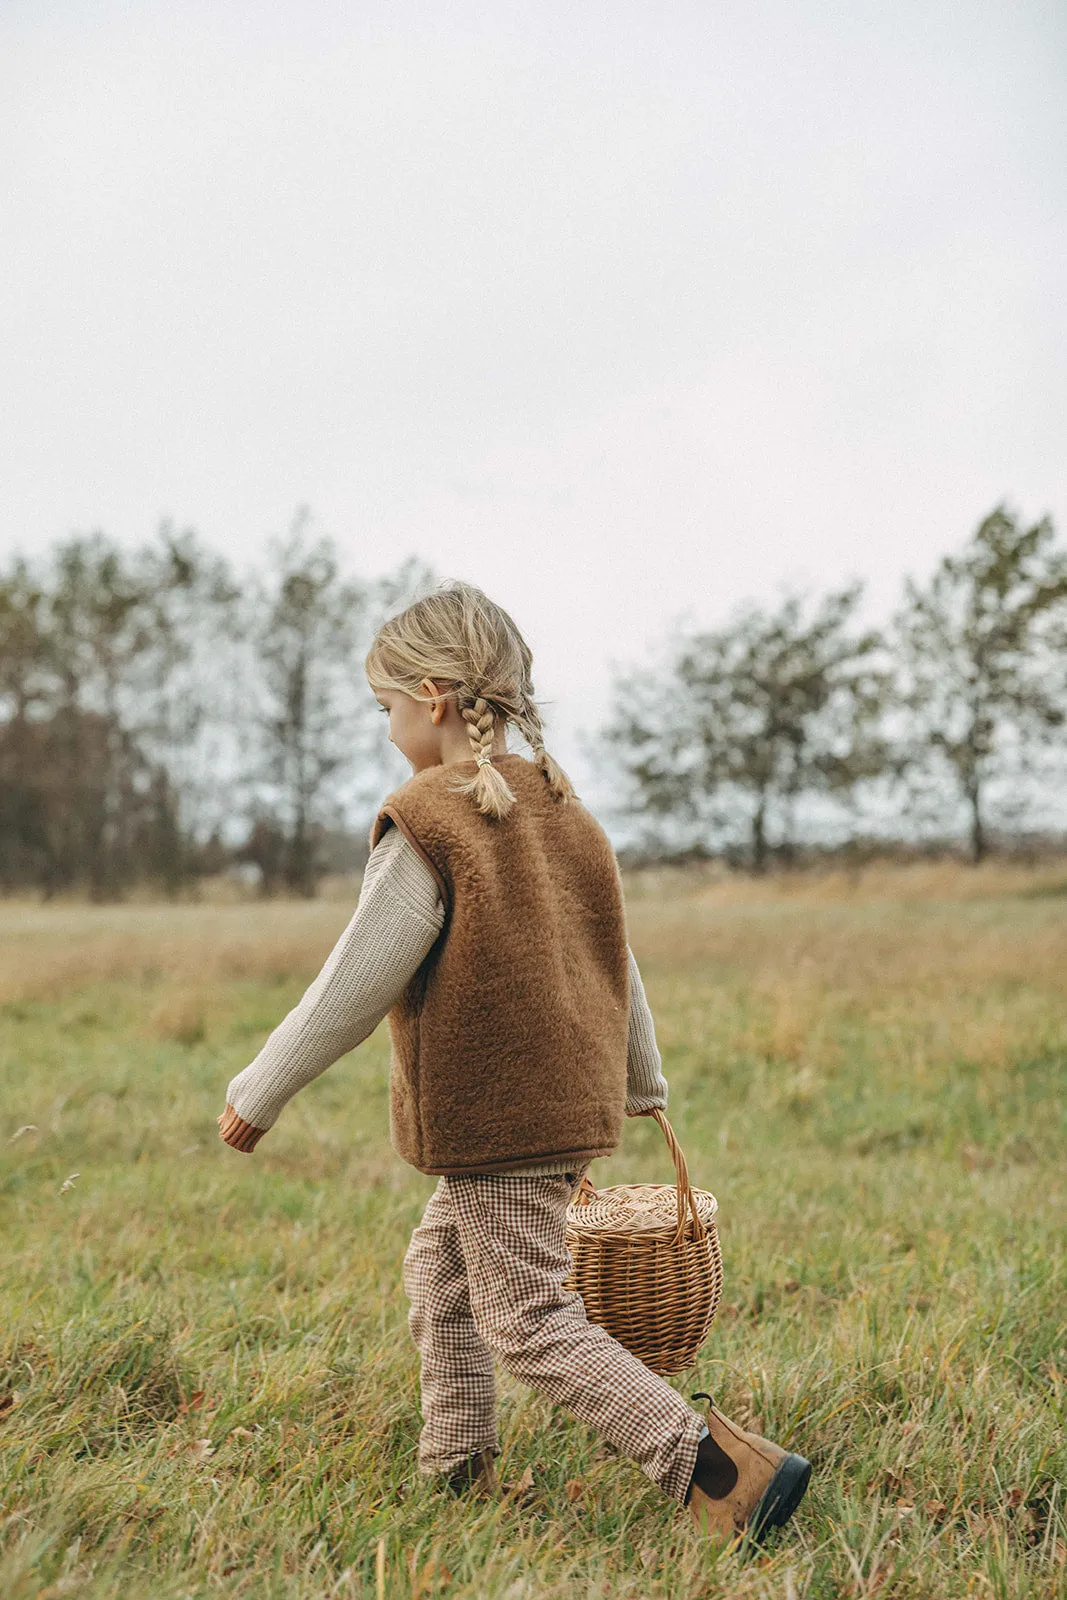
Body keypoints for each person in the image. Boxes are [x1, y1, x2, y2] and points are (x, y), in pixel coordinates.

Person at [216, 580, 810, 1543]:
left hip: (496, 1121)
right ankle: (456, 1461)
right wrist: (638, 1084)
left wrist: (259, 1090)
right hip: (562, 1107)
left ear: (438, 694)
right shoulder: (566, 813)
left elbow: (352, 982)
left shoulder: (430, 818)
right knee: (439, 1273)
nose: (387, 729)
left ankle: (716, 1470)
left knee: (530, 1318)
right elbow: (618, 964)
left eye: (387, 707)